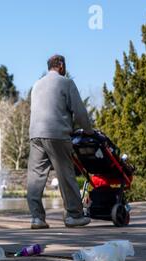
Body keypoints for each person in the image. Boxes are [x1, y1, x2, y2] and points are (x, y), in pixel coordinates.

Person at [28, 55, 94, 229]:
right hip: (56, 133)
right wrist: (89, 131)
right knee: (66, 174)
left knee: (35, 177)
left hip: (35, 134)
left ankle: (37, 218)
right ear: (61, 66)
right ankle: (73, 215)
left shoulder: (36, 85)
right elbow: (79, 111)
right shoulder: (66, 83)